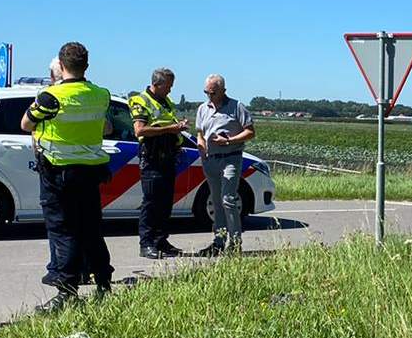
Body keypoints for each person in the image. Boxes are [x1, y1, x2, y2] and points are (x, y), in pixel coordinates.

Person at [21, 42, 114, 309]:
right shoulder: (101, 94)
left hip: (58, 172)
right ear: (86, 65)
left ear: (61, 66)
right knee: (91, 228)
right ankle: (104, 284)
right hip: (91, 171)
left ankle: (66, 292)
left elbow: (25, 123)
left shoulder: (50, 96)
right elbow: (105, 127)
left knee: (63, 231)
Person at [128, 67, 188, 259]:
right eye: (168, 86)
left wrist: (178, 127)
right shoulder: (140, 100)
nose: (170, 90)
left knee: (165, 203)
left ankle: (161, 240)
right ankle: (146, 243)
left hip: (168, 157)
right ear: (157, 84)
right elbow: (140, 130)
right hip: (152, 158)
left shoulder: (165, 101)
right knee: (152, 203)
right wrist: (171, 128)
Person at [194, 73, 254, 255]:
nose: (209, 96)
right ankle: (218, 242)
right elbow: (199, 133)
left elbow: (250, 132)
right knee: (216, 202)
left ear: (222, 90)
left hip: (231, 158)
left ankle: (235, 243)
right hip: (210, 159)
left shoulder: (237, 107)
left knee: (228, 199)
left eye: (213, 93)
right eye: (206, 92)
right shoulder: (203, 109)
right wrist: (201, 146)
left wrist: (229, 141)